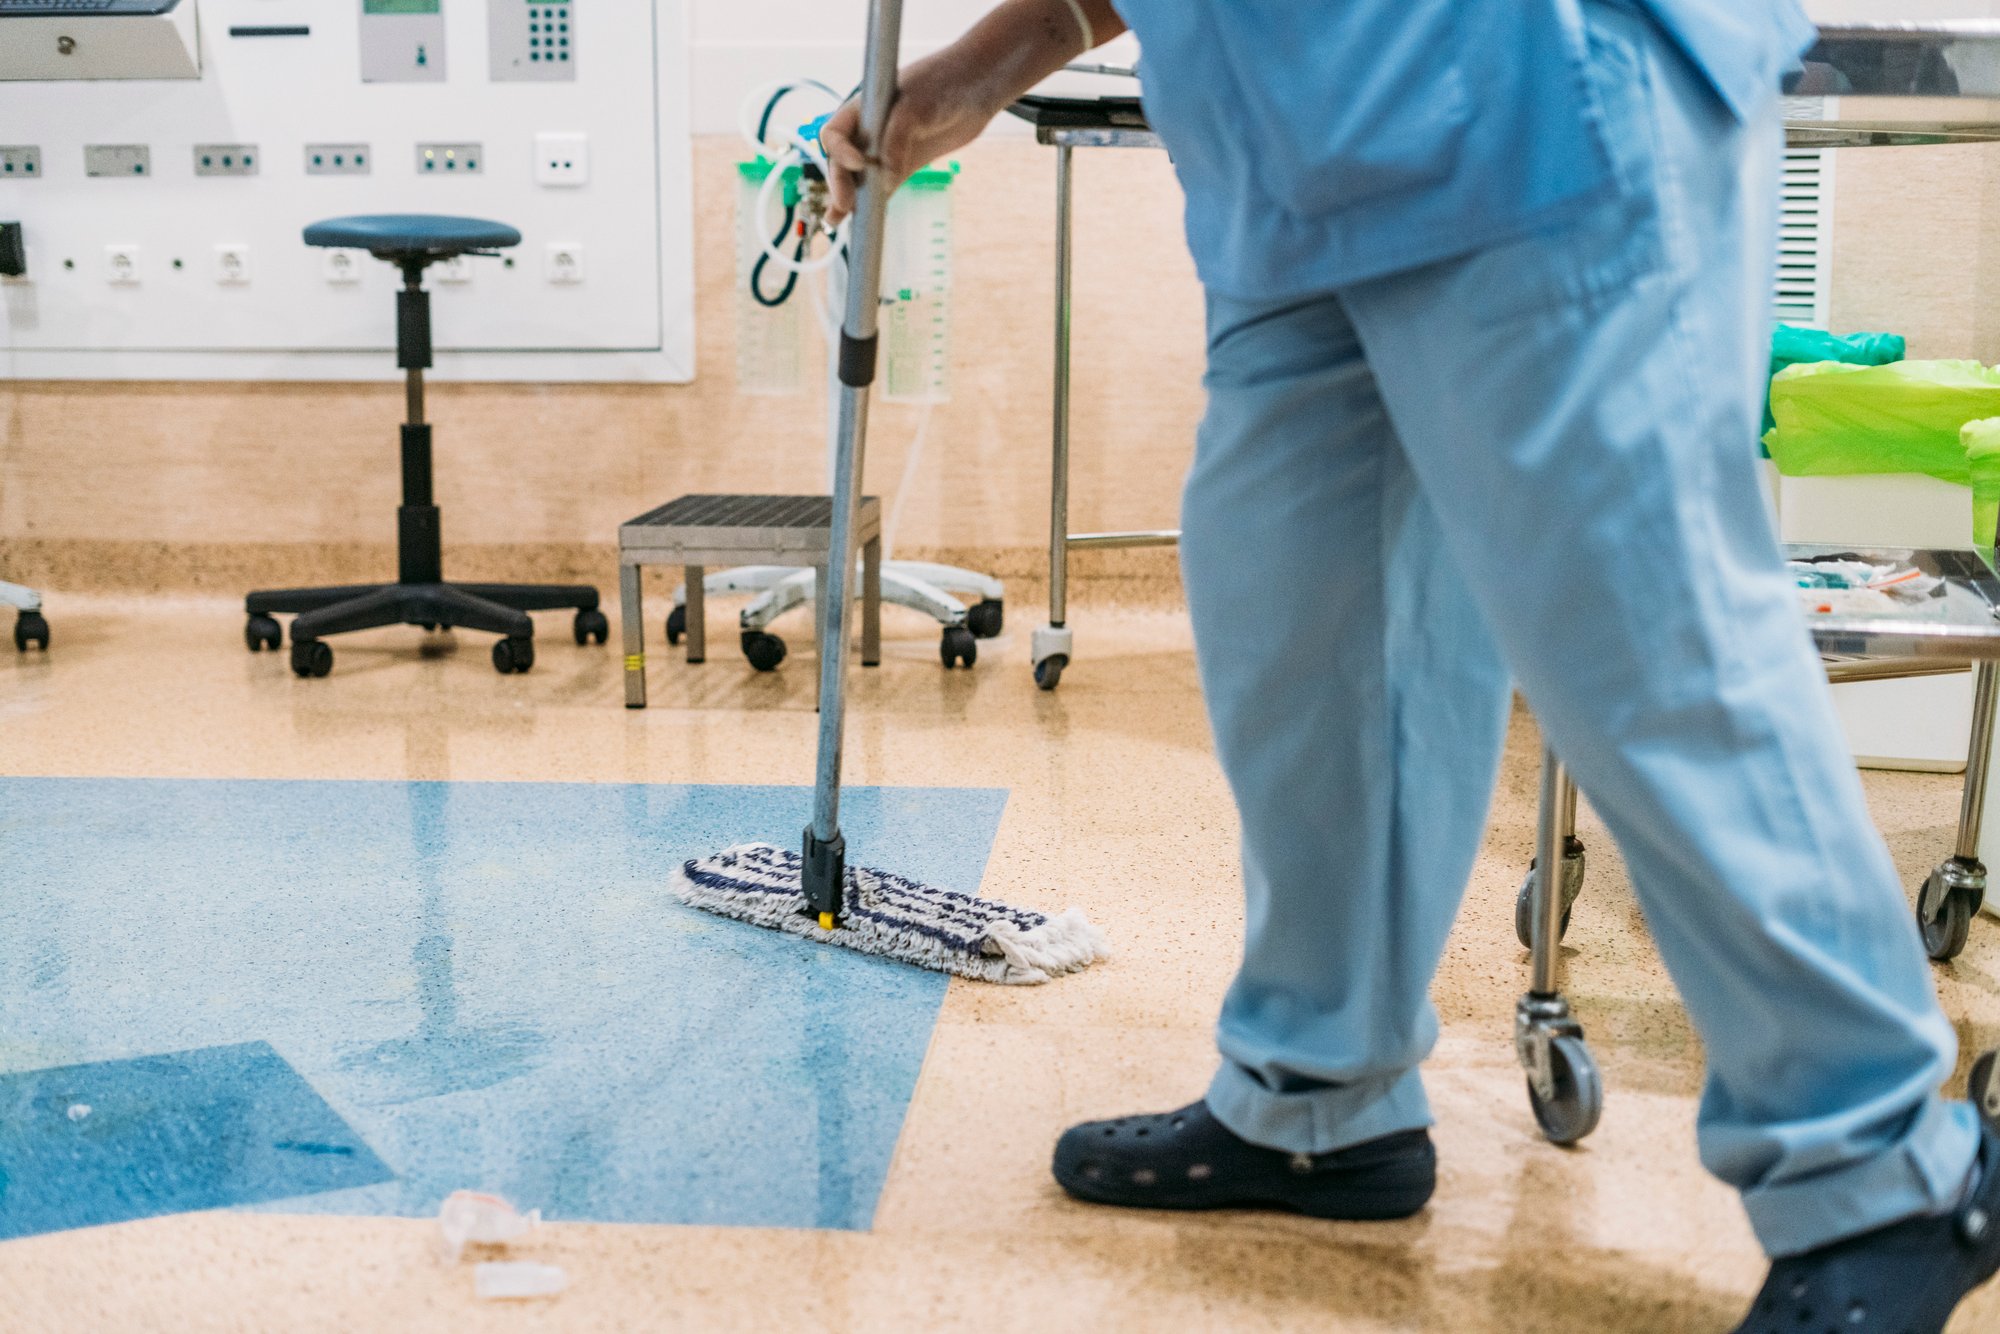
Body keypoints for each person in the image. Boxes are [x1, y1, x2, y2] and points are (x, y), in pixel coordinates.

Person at [820, 2, 2000, 1329]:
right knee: (1301, 633)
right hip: (1293, 158)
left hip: (1516, 90)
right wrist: (994, 62)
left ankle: (1882, 1171)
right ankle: (1320, 1094)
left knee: (1638, 633)